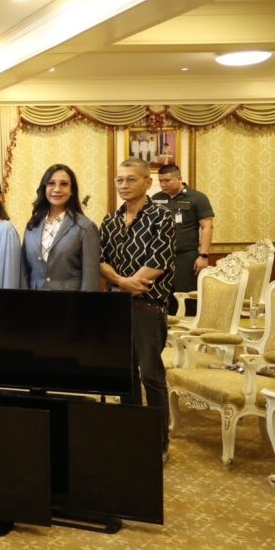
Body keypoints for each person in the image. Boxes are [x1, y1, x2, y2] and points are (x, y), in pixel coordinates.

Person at [100, 158, 175, 458]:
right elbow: (101, 261)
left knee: (151, 376)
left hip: (148, 306)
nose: (124, 185)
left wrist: (127, 284)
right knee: (125, 375)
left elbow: (159, 262)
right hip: (117, 307)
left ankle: (159, 443)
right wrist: (123, 282)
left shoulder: (161, 216)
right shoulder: (110, 220)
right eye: (119, 179)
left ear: (147, 182)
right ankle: (132, 436)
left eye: (131, 179)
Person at [21, 164, 100, 291]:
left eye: (64, 184)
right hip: (34, 301)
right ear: (44, 188)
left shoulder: (85, 227)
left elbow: (90, 281)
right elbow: (24, 272)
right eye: (51, 183)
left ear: (72, 190)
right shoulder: (32, 225)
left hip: (70, 301)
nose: (57, 189)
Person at [152, 163, 214, 315]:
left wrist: (204, 255)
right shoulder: (156, 199)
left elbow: (207, 226)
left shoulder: (197, 198)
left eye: (167, 180)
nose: (163, 184)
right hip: (161, 257)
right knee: (162, 297)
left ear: (179, 179)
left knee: (188, 298)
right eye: (160, 181)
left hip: (186, 257)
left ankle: (189, 327)